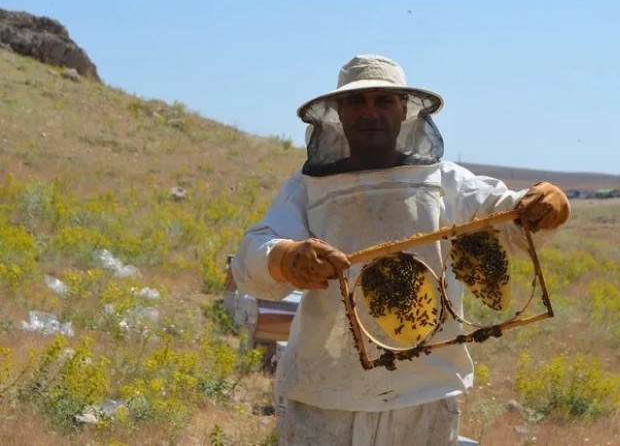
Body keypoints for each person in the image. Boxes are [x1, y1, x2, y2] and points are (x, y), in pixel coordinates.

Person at [232, 55, 570, 445]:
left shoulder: (444, 181)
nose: (370, 112)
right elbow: (254, 252)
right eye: (357, 102)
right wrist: (285, 258)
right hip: (326, 391)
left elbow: (508, 217)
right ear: (339, 113)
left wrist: (547, 206)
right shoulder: (309, 188)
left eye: (384, 100)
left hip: (423, 390)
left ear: (404, 109)